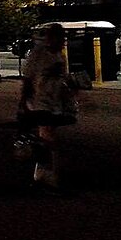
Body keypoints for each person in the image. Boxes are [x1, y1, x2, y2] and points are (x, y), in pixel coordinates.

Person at [18, 23, 77, 192]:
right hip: (39, 102)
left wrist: (72, 96)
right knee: (47, 137)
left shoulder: (60, 56)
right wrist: (23, 103)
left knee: (46, 138)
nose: (63, 41)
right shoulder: (38, 54)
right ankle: (47, 176)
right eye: (60, 37)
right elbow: (28, 79)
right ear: (51, 38)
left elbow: (63, 80)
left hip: (54, 103)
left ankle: (40, 174)